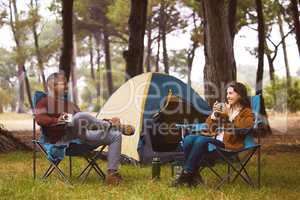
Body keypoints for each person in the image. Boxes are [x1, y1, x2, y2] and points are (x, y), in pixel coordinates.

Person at [35, 72, 129, 185]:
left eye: (66, 84)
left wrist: (103, 121)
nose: (66, 86)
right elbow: (40, 119)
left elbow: (88, 122)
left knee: (115, 135)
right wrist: (57, 120)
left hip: (80, 136)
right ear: (51, 85)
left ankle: (112, 174)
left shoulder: (69, 104)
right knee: (80, 116)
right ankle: (110, 125)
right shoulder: (43, 102)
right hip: (62, 139)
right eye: (62, 84)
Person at [172, 82, 254, 187]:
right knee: (188, 139)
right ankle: (193, 175)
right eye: (227, 93)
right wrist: (214, 115)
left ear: (240, 95)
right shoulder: (225, 108)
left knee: (201, 140)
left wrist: (229, 115)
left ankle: (186, 175)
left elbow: (245, 127)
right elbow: (207, 126)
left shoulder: (246, 112)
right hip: (215, 139)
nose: (228, 96)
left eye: (231, 93)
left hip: (229, 145)